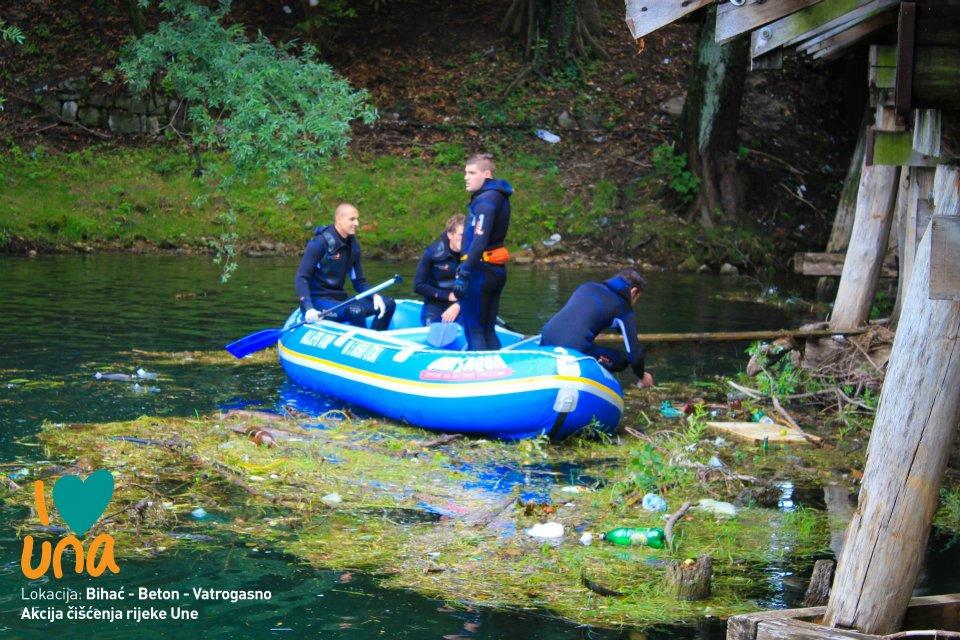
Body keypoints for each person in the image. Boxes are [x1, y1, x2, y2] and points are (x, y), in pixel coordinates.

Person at [540, 269, 655, 389]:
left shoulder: (587, 287)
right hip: (573, 348)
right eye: (637, 298)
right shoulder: (623, 308)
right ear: (633, 292)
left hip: (546, 337)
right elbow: (634, 354)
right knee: (622, 360)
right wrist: (642, 375)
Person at [294, 202, 395, 330]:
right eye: (352, 219)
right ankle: (360, 344)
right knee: (355, 311)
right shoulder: (319, 243)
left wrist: (374, 295)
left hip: (340, 301)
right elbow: (301, 278)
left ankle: (376, 339)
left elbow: (359, 282)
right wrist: (308, 308)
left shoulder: (353, 246)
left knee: (388, 304)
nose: (357, 223)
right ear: (339, 220)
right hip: (318, 302)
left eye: (357, 219)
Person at [453, 153, 513, 350]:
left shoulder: (486, 201)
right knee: (488, 329)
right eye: (465, 173)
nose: (466, 177)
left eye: (472, 173)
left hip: (479, 272)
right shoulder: (498, 196)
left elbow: (480, 239)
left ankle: (477, 376)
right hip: (495, 270)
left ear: (487, 174)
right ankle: (496, 373)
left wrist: (464, 273)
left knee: (474, 329)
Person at [413, 214, 464, 325]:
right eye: (461, 235)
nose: (465, 239)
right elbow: (418, 285)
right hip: (436, 302)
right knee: (431, 326)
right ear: (450, 235)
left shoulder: (474, 255)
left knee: (469, 329)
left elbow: (479, 287)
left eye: (467, 236)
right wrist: (447, 296)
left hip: (463, 303)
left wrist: (459, 305)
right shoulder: (433, 253)